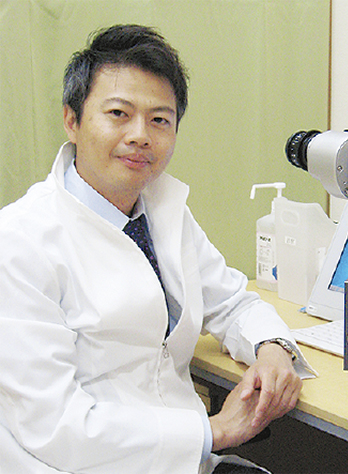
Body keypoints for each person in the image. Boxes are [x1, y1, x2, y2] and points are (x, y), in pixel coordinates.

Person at [0, 24, 314, 473]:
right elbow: (57, 427)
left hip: (179, 458)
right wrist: (214, 431)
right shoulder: (19, 240)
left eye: (160, 120)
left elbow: (231, 302)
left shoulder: (162, 209)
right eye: (118, 113)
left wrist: (274, 348)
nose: (140, 135)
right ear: (72, 120)